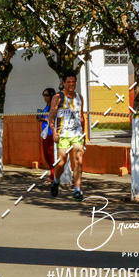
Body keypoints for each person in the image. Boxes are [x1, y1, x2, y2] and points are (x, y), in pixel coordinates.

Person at [48, 71, 86, 201]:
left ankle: (77, 190)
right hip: (63, 135)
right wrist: (54, 132)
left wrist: (84, 135)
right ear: (63, 83)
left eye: (73, 82)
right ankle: (56, 181)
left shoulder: (80, 98)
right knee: (61, 162)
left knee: (78, 161)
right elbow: (51, 117)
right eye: (68, 82)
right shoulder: (58, 97)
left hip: (77, 134)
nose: (71, 84)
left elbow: (82, 117)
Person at [36, 88, 56, 180]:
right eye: (43, 95)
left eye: (47, 95)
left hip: (51, 133)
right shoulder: (47, 106)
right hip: (45, 133)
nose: (44, 97)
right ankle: (52, 174)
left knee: (51, 155)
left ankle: (53, 176)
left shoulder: (54, 106)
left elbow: (53, 119)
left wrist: (43, 119)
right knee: (46, 155)